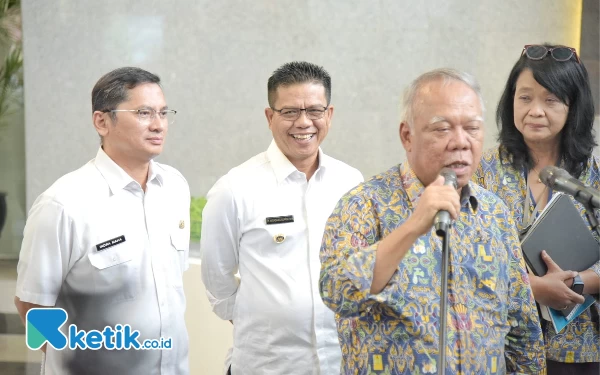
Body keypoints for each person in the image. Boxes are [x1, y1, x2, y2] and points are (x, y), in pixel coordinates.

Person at [319, 68, 546, 374]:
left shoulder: (494, 213)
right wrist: (413, 226)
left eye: (472, 128)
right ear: (407, 135)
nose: (460, 143)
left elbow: (523, 329)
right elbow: (337, 292)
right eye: (442, 129)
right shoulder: (363, 204)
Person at [14, 67, 190, 374]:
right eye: (144, 113)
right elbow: (32, 305)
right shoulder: (63, 204)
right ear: (102, 121)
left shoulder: (174, 187)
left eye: (163, 113)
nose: (158, 125)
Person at [200, 61, 363, 375]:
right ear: (269, 117)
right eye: (289, 112)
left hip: (338, 363)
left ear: (329, 115)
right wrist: (267, 318)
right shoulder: (234, 189)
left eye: (315, 110)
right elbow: (217, 283)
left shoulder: (350, 182)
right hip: (266, 365)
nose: (304, 122)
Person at [474, 44, 600, 374]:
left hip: (580, 345)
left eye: (551, 100)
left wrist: (575, 285)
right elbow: (466, 255)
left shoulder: (593, 172)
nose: (535, 110)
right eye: (525, 97)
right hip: (502, 343)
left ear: (574, 107)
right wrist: (532, 287)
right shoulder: (484, 169)